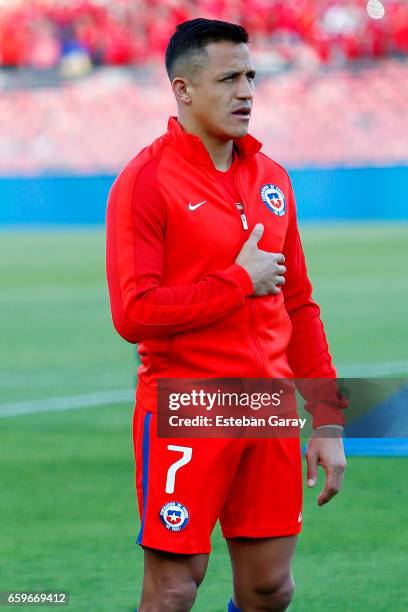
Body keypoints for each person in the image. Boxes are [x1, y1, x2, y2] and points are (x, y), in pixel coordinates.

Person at [106, 17, 347, 612]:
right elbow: (134, 312)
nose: (246, 92)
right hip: (187, 402)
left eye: (251, 77)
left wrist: (327, 418)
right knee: (172, 590)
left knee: (270, 588)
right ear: (183, 90)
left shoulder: (273, 180)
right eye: (229, 78)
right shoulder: (146, 181)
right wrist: (238, 282)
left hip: (265, 404)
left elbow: (299, 305)